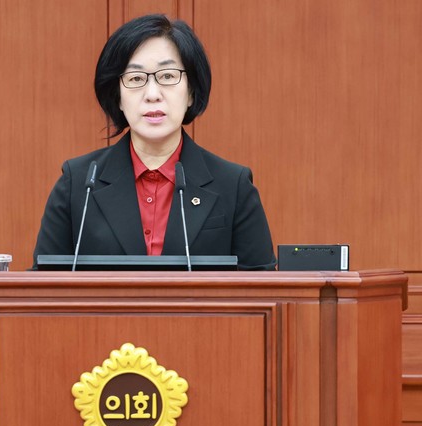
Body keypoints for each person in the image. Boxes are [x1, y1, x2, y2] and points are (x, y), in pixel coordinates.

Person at [32, 14, 276, 270]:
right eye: (136, 79)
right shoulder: (79, 184)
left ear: (191, 92)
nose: (152, 94)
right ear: (117, 97)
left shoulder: (233, 186)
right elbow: (41, 284)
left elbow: (263, 287)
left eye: (168, 76)